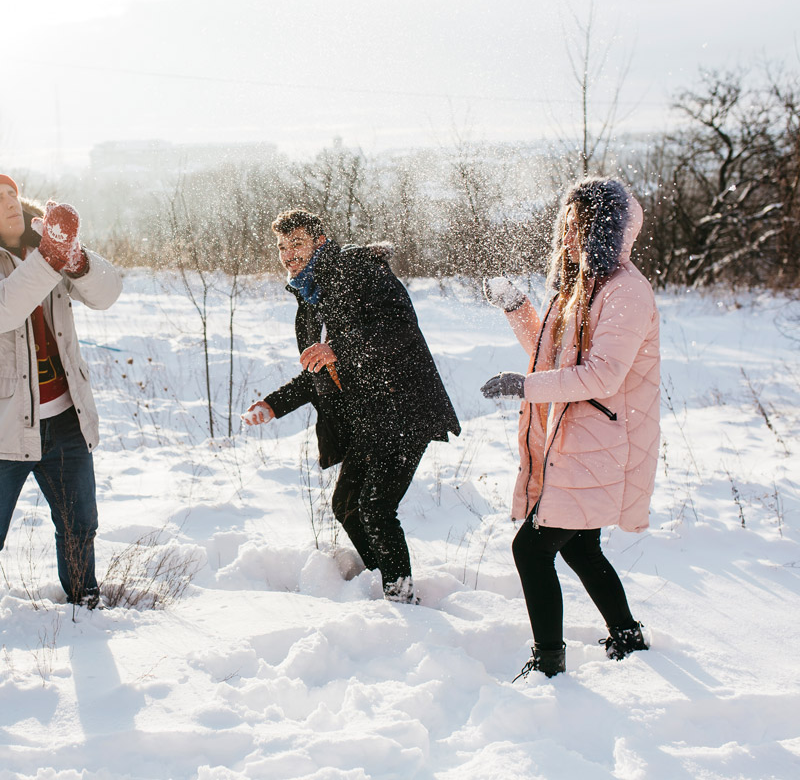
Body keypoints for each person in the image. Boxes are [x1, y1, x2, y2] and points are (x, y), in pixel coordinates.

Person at [481, 177, 658, 679]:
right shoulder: (583, 286)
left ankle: (549, 662)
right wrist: (517, 306)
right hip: (576, 439)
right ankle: (627, 636)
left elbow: (603, 373)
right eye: (566, 224)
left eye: (579, 226)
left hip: (598, 441)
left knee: (530, 550)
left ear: (604, 229)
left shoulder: (626, 291)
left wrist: (526, 386)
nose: (568, 236)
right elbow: (551, 352)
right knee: (580, 546)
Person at [243, 209, 461, 602]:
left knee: (376, 507)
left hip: (404, 406)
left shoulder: (361, 273)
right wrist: (273, 405)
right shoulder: (309, 300)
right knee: (346, 505)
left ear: (320, 242)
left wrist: (338, 348)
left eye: (297, 243)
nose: (288, 253)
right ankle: (383, 580)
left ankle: (403, 597)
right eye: (281, 247)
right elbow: (319, 371)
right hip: (372, 416)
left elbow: (399, 329)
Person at [0, 173, 122, 628]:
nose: (8, 202)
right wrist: (50, 258)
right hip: (0, 426)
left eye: (11, 194)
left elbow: (109, 292)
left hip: (64, 417)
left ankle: (86, 608)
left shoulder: (46, 242)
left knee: (80, 527)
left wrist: (76, 261)